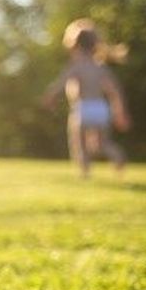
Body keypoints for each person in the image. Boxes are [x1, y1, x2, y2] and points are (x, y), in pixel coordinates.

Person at [41, 19, 131, 179]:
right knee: (103, 144)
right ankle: (117, 156)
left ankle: (85, 172)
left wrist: (50, 96)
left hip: (82, 108)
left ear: (74, 45)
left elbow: (61, 82)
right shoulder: (100, 67)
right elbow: (113, 91)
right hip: (100, 108)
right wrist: (119, 112)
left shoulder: (77, 65)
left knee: (79, 143)